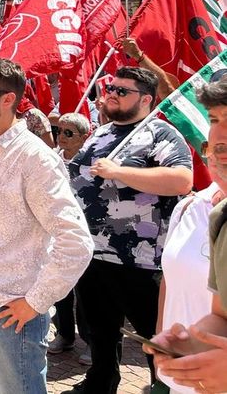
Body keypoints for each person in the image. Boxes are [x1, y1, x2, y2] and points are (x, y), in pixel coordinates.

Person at [0, 57, 93, 394]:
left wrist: (36, 302)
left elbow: (76, 242)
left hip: (12, 312)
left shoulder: (35, 158)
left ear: (7, 99)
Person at [65, 66, 193, 394]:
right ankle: (101, 383)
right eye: (111, 88)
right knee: (99, 330)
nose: (111, 94)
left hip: (140, 261)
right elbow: (75, 174)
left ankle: (163, 387)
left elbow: (182, 179)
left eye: (122, 91)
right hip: (93, 253)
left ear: (146, 99)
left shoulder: (161, 134)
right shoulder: (100, 134)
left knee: (154, 336)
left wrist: (119, 171)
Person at [149, 76, 227, 393]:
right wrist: (188, 343)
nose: (219, 135)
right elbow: (221, 317)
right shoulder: (221, 219)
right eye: (214, 119)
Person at [48, 112, 93, 358]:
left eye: (68, 133)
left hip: (82, 231)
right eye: (59, 132)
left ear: (84, 137)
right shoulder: (51, 158)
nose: (61, 137)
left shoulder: (91, 162)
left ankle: (88, 340)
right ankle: (64, 334)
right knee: (60, 288)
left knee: (85, 294)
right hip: (55, 232)